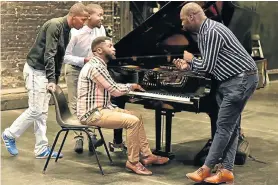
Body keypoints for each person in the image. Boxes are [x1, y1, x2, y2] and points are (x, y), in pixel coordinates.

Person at [174, 2, 258, 183]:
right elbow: (210, 64)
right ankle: (226, 170)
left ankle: (205, 169)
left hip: (240, 80)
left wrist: (190, 60)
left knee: (223, 127)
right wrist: (189, 66)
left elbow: (207, 66)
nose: (182, 26)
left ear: (191, 17)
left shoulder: (210, 32)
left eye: (183, 21)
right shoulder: (206, 30)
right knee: (232, 127)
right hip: (233, 80)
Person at [2, 3, 89, 159]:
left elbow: (59, 57)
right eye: (83, 19)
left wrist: (54, 80)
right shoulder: (55, 25)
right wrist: (51, 78)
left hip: (45, 73)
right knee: (35, 110)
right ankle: (9, 134)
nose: (84, 24)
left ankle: (41, 149)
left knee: (42, 113)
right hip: (36, 70)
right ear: (74, 16)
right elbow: (49, 54)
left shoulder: (67, 31)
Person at [77, 36, 169, 175]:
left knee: (136, 115)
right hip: (92, 113)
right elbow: (114, 90)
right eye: (110, 46)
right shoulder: (95, 66)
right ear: (99, 50)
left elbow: (112, 86)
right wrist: (131, 87)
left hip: (103, 109)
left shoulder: (99, 65)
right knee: (132, 121)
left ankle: (147, 155)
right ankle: (133, 162)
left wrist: (131, 86)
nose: (114, 48)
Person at [64, 4, 126, 154]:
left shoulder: (101, 29)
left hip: (93, 69)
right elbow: (65, 56)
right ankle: (80, 136)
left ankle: (91, 135)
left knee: (93, 103)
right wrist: (84, 61)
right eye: (99, 15)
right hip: (75, 69)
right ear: (89, 16)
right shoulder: (75, 32)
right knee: (76, 103)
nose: (102, 18)